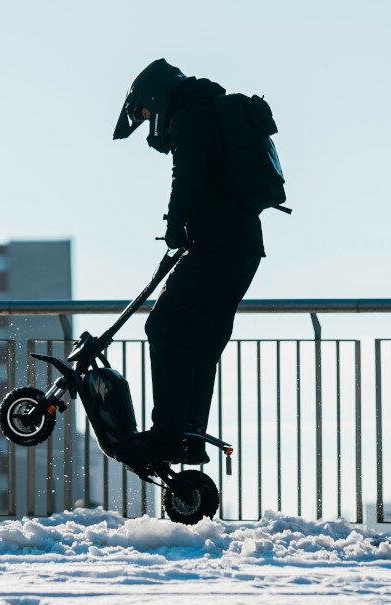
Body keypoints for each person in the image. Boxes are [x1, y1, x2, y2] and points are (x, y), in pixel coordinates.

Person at [113, 59, 263, 464]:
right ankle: (188, 438)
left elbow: (188, 178)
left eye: (145, 114)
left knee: (163, 327)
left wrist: (177, 225)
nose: (148, 124)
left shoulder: (192, 121)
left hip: (214, 245)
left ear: (156, 100)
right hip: (243, 247)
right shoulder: (213, 113)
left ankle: (167, 437)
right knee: (200, 344)